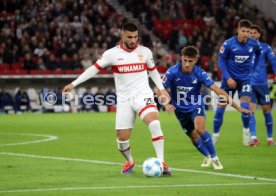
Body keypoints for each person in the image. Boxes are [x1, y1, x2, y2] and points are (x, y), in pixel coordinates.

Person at [62, 22, 171, 175]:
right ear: (122, 36)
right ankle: (129, 161)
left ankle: (162, 163)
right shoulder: (111, 54)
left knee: (154, 123)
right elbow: (93, 69)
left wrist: (161, 89)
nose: (133, 40)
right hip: (124, 99)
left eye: (135, 37)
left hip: (143, 95)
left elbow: (153, 72)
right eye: (130, 37)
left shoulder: (145, 52)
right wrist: (74, 83)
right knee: (122, 141)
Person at [161, 46, 251, 170]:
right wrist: (166, 102)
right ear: (181, 58)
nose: (187, 64)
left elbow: (218, 90)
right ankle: (207, 156)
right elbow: (161, 88)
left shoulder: (200, 73)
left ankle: (215, 158)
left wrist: (238, 108)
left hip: (195, 105)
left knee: (199, 129)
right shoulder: (172, 71)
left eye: (190, 61)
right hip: (180, 109)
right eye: (185, 60)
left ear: (195, 61)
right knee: (193, 136)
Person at [212, 19, 262, 146]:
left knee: (245, 107)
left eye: (248, 32)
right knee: (220, 109)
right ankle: (215, 135)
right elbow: (221, 61)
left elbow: (259, 54)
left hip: (245, 80)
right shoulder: (229, 44)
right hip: (228, 80)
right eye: (243, 31)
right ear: (238, 30)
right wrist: (228, 77)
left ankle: (246, 132)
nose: (245, 34)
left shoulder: (254, 44)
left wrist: (253, 70)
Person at [249, 25, 276, 146]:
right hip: (249, 83)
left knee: (266, 110)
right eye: (251, 33)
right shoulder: (244, 48)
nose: (253, 34)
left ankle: (270, 138)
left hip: (262, 84)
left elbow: (274, 61)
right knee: (250, 110)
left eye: (255, 32)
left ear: (259, 34)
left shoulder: (265, 48)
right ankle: (253, 137)